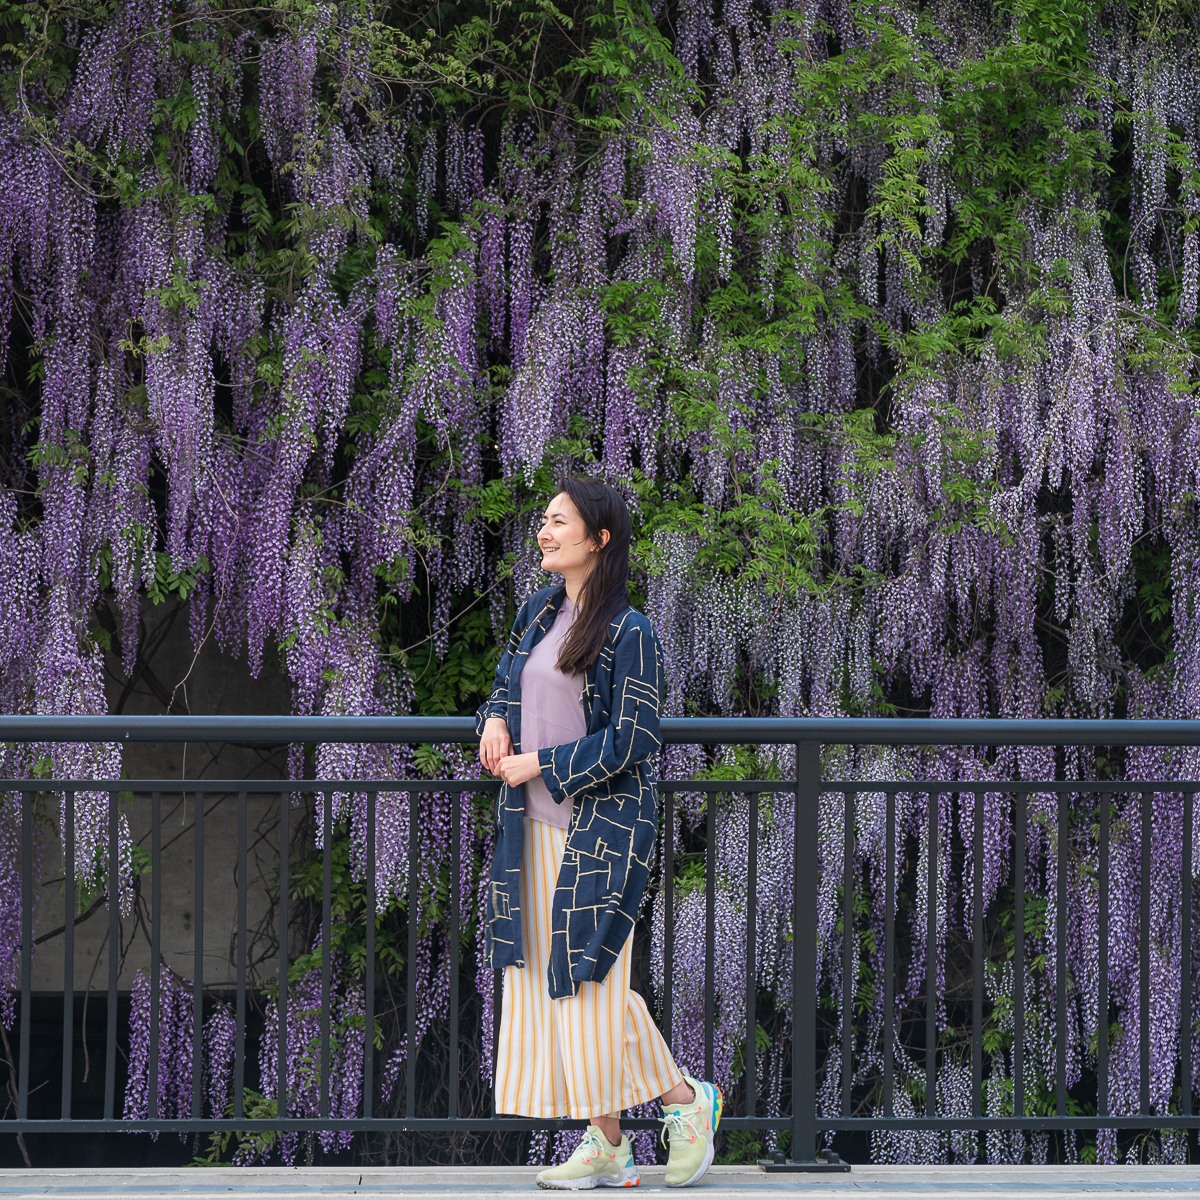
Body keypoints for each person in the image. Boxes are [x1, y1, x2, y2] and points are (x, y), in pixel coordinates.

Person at [476, 476, 722, 1191]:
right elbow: (507, 682)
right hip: (531, 829)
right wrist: (494, 719)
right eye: (544, 521)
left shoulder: (629, 629)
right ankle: (614, 1139)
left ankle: (678, 1102)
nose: (545, 532)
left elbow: (637, 737)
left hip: (600, 832)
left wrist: (540, 762)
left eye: (559, 522)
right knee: (563, 984)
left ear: (599, 539)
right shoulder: (538, 611)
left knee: (591, 981)